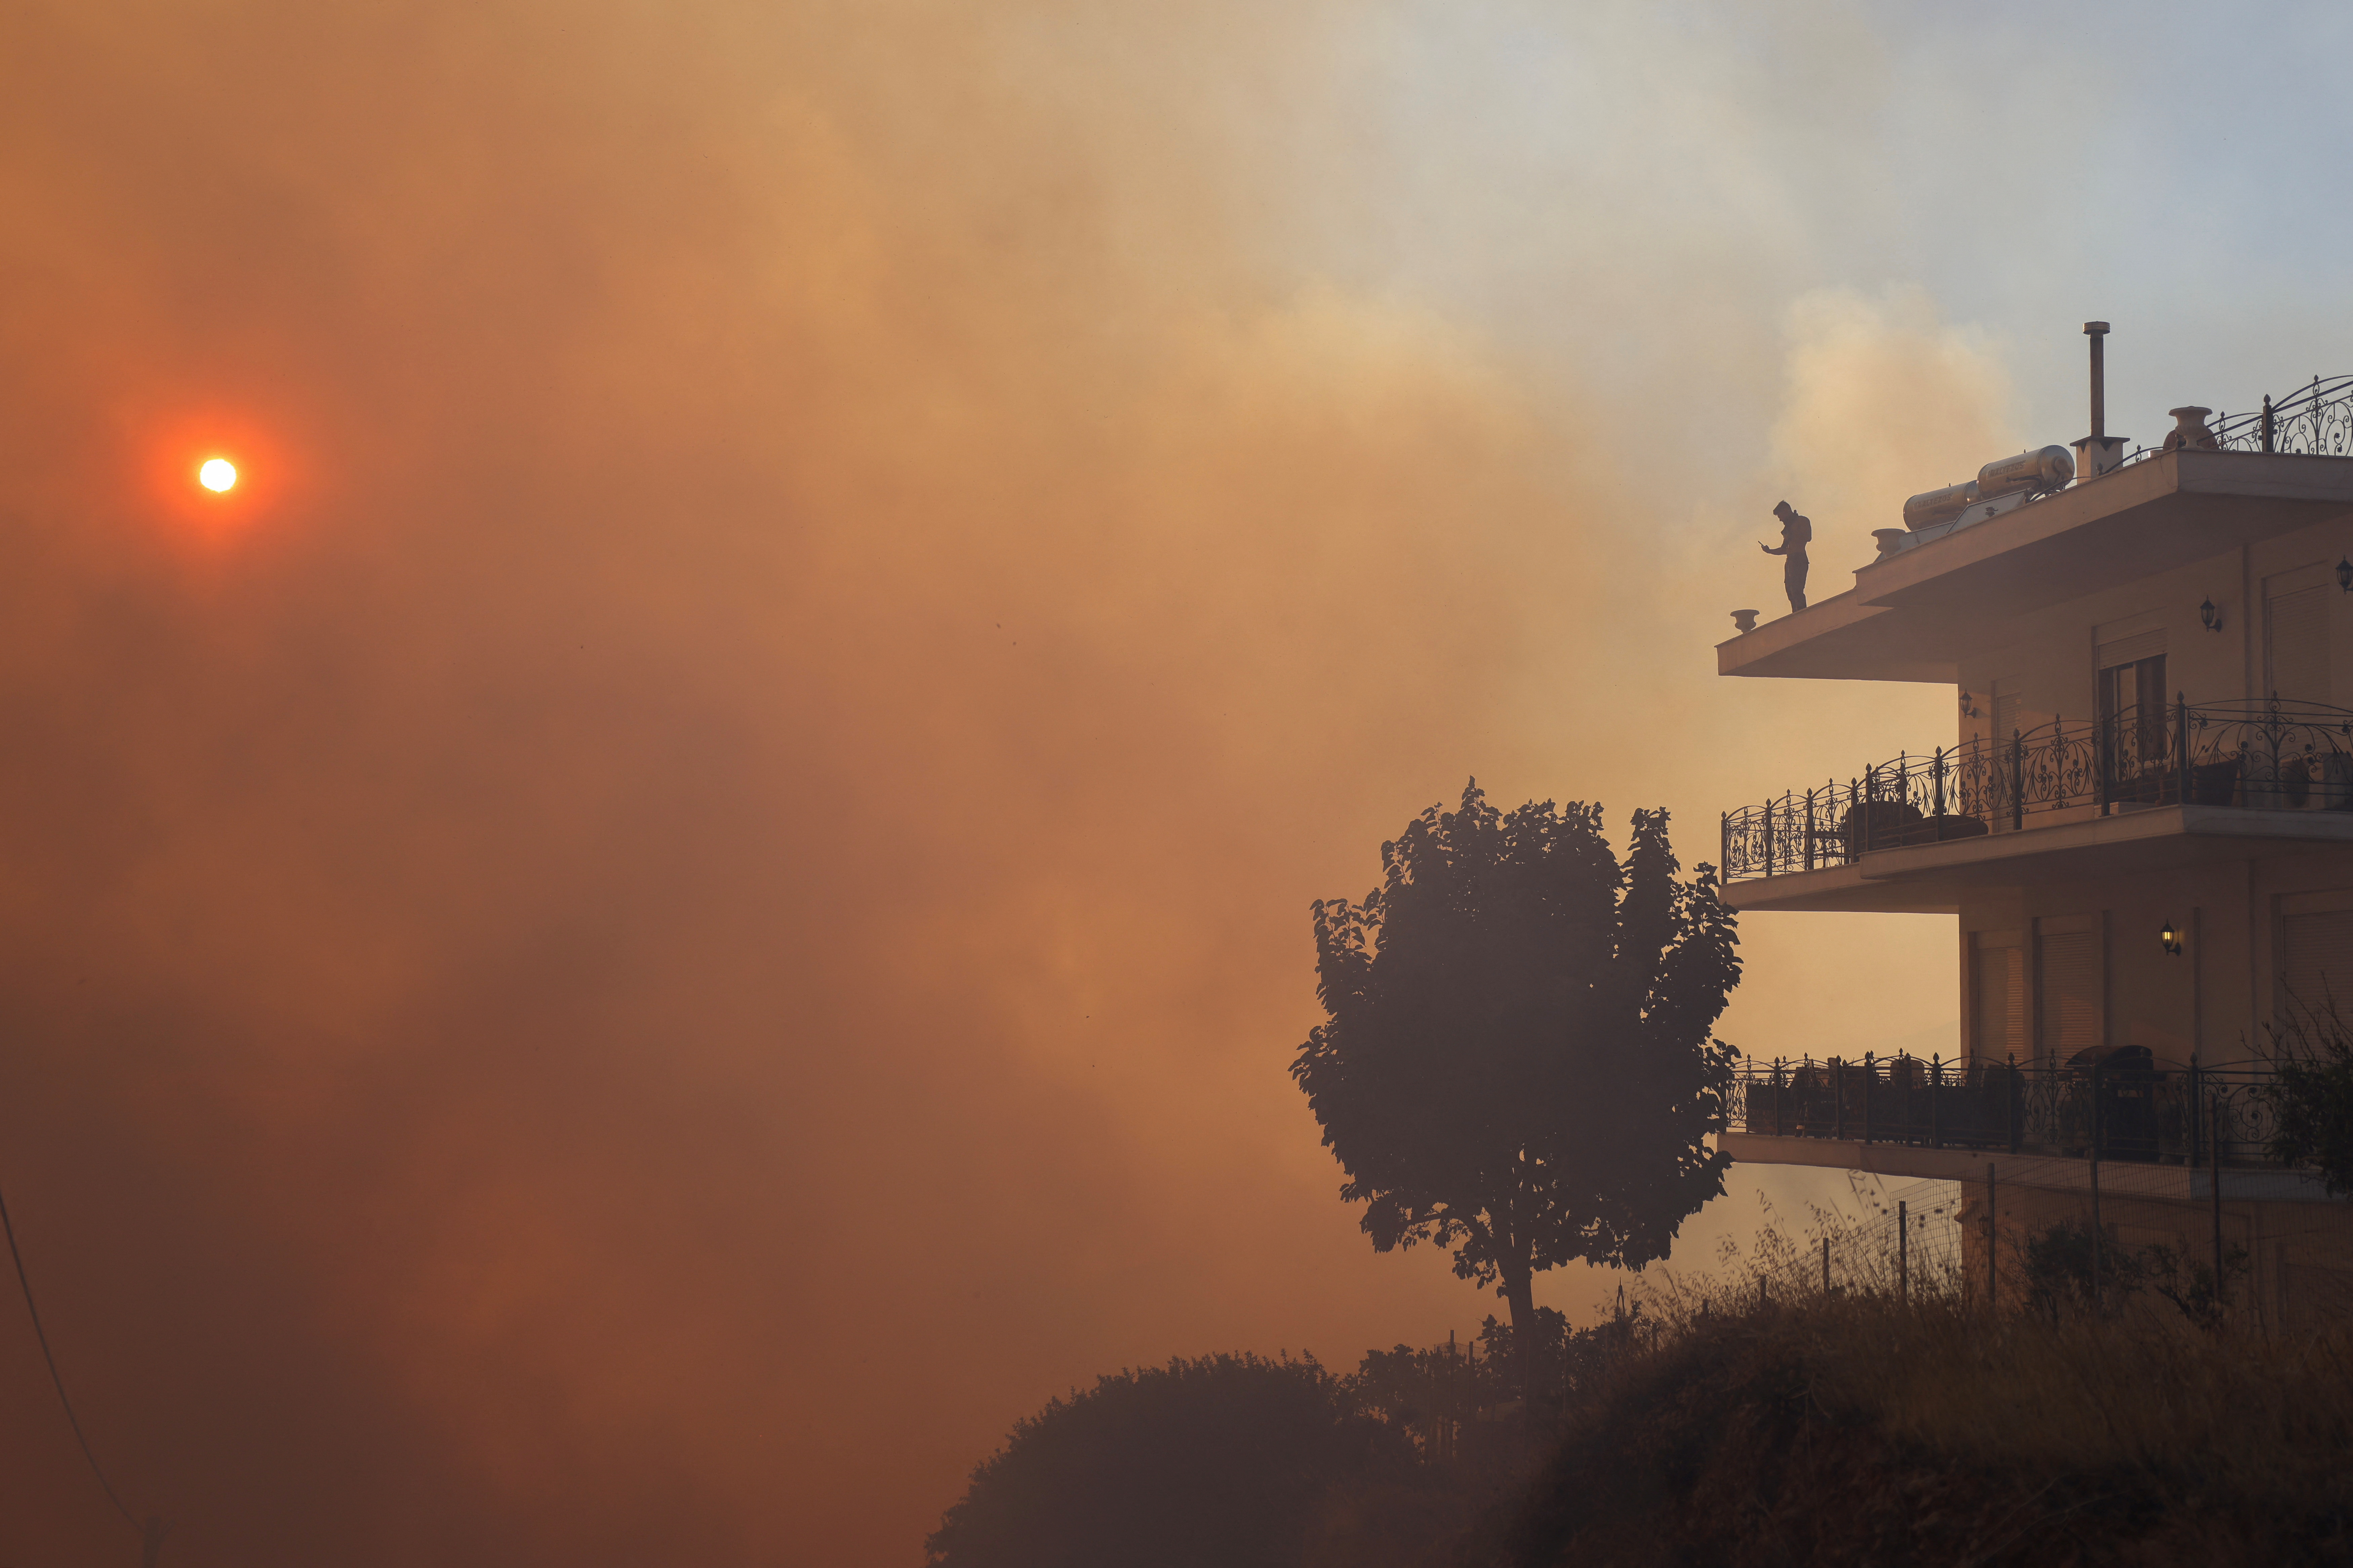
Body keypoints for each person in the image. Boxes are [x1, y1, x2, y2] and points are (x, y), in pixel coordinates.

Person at [1759, 501, 1811, 613]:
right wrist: (1769, 551)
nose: (1780, 520)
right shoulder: (1789, 528)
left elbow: (1808, 537)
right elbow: (1784, 550)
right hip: (1790, 562)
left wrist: (1791, 534)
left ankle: (1802, 614)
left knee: (1797, 590)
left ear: (1786, 511)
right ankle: (1796, 614)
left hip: (1799, 559)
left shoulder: (1802, 521)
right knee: (1790, 591)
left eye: (1780, 516)